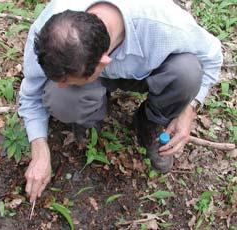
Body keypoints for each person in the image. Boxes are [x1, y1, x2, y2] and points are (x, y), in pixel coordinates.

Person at [18, 0, 223, 202]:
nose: (60, 84)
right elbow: (31, 94)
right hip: (93, 71)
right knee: (59, 97)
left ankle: (150, 121)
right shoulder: (51, 31)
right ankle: (91, 115)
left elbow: (213, 56)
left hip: (148, 71)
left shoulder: (163, 24)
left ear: (103, 62)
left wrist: (190, 109)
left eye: (67, 81)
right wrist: (39, 149)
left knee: (187, 72)